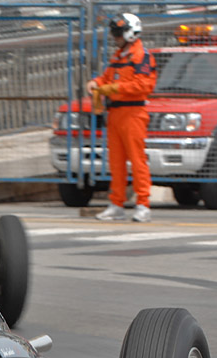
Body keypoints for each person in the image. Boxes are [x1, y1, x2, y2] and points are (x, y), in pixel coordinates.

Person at [86, 13, 157, 223]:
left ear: (129, 33)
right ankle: (116, 203)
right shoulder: (119, 56)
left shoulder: (141, 56)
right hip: (116, 113)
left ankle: (143, 204)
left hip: (133, 113)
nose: (115, 37)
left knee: (137, 160)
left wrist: (113, 88)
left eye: (118, 33)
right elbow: (107, 77)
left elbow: (143, 85)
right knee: (116, 162)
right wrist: (96, 82)